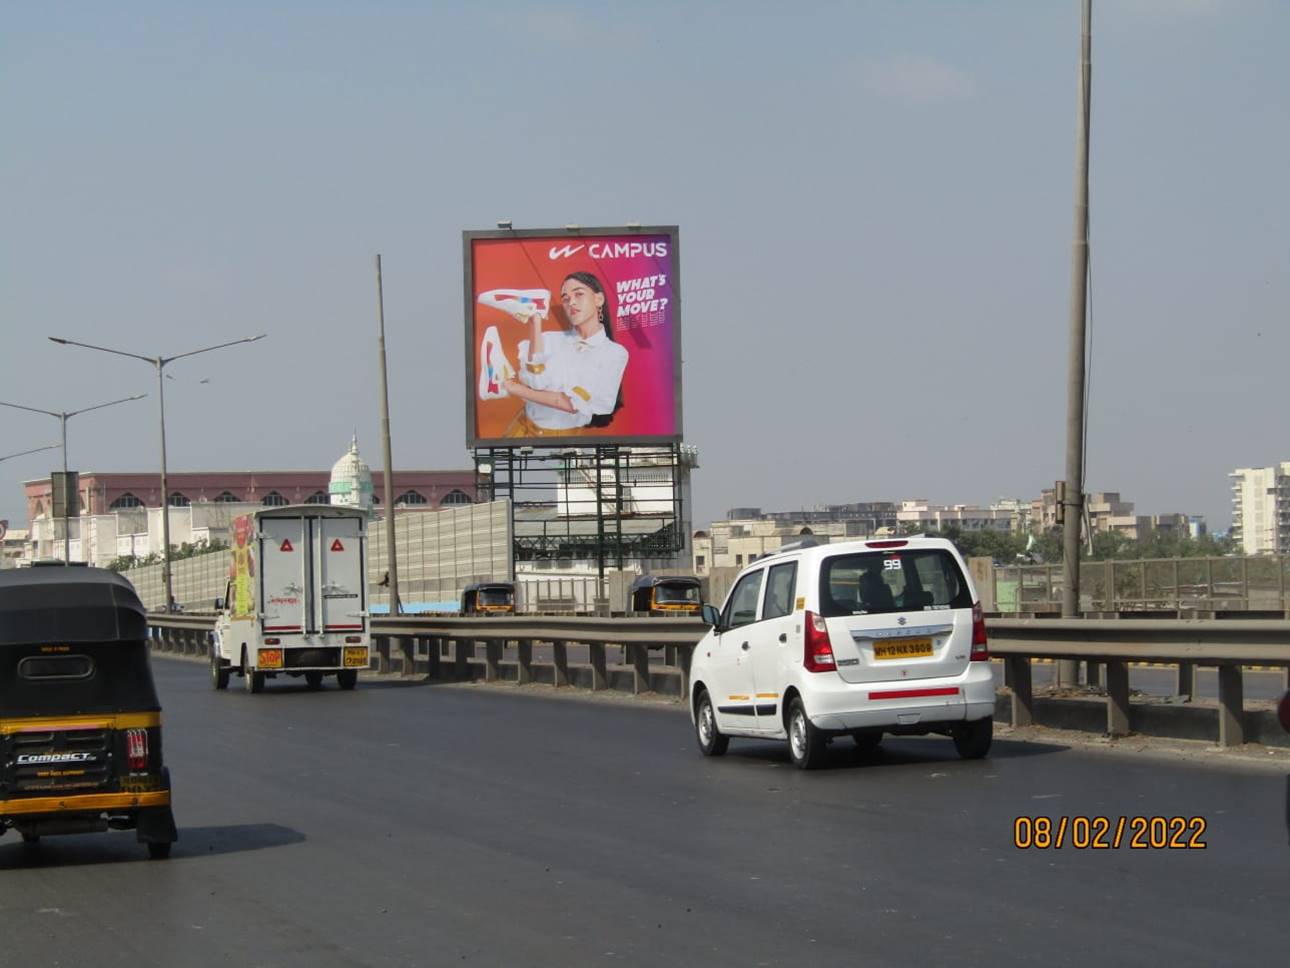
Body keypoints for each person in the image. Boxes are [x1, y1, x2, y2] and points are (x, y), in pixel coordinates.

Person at [502, 271, 628, 435]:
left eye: (579, 294)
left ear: (599, 299)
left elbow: (569, 404)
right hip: (520, 429)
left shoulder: (614, 353)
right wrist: (535, 321)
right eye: (566, 299)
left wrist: (513, 388)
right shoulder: (548, 339)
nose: (571, 303)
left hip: (565, 440)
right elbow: (535, 383)